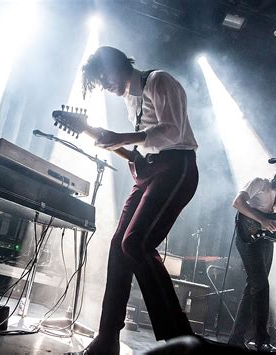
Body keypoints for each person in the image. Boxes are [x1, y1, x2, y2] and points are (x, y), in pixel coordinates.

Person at [80, 46, 199, 354]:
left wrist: (123, 138)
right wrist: (114, 142)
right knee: (118, 245)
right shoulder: (128, 99)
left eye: (106, 75)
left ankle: (179, 338)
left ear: (120, 64)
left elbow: (172, 131)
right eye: (100, 81)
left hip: (177, 167)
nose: (106, 84)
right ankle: (107, 338)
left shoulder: (159, 81)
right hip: (151, 172)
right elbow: (144, 146)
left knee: (136, 243)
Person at [228, 163, 276, 352]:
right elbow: (237, 202)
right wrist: (262, 220)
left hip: (264, 242)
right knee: (261, 286)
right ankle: (262, 340)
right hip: (247, 238)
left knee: (253, 287)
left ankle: (236, 339)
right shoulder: (260, 182)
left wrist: (275, 226)